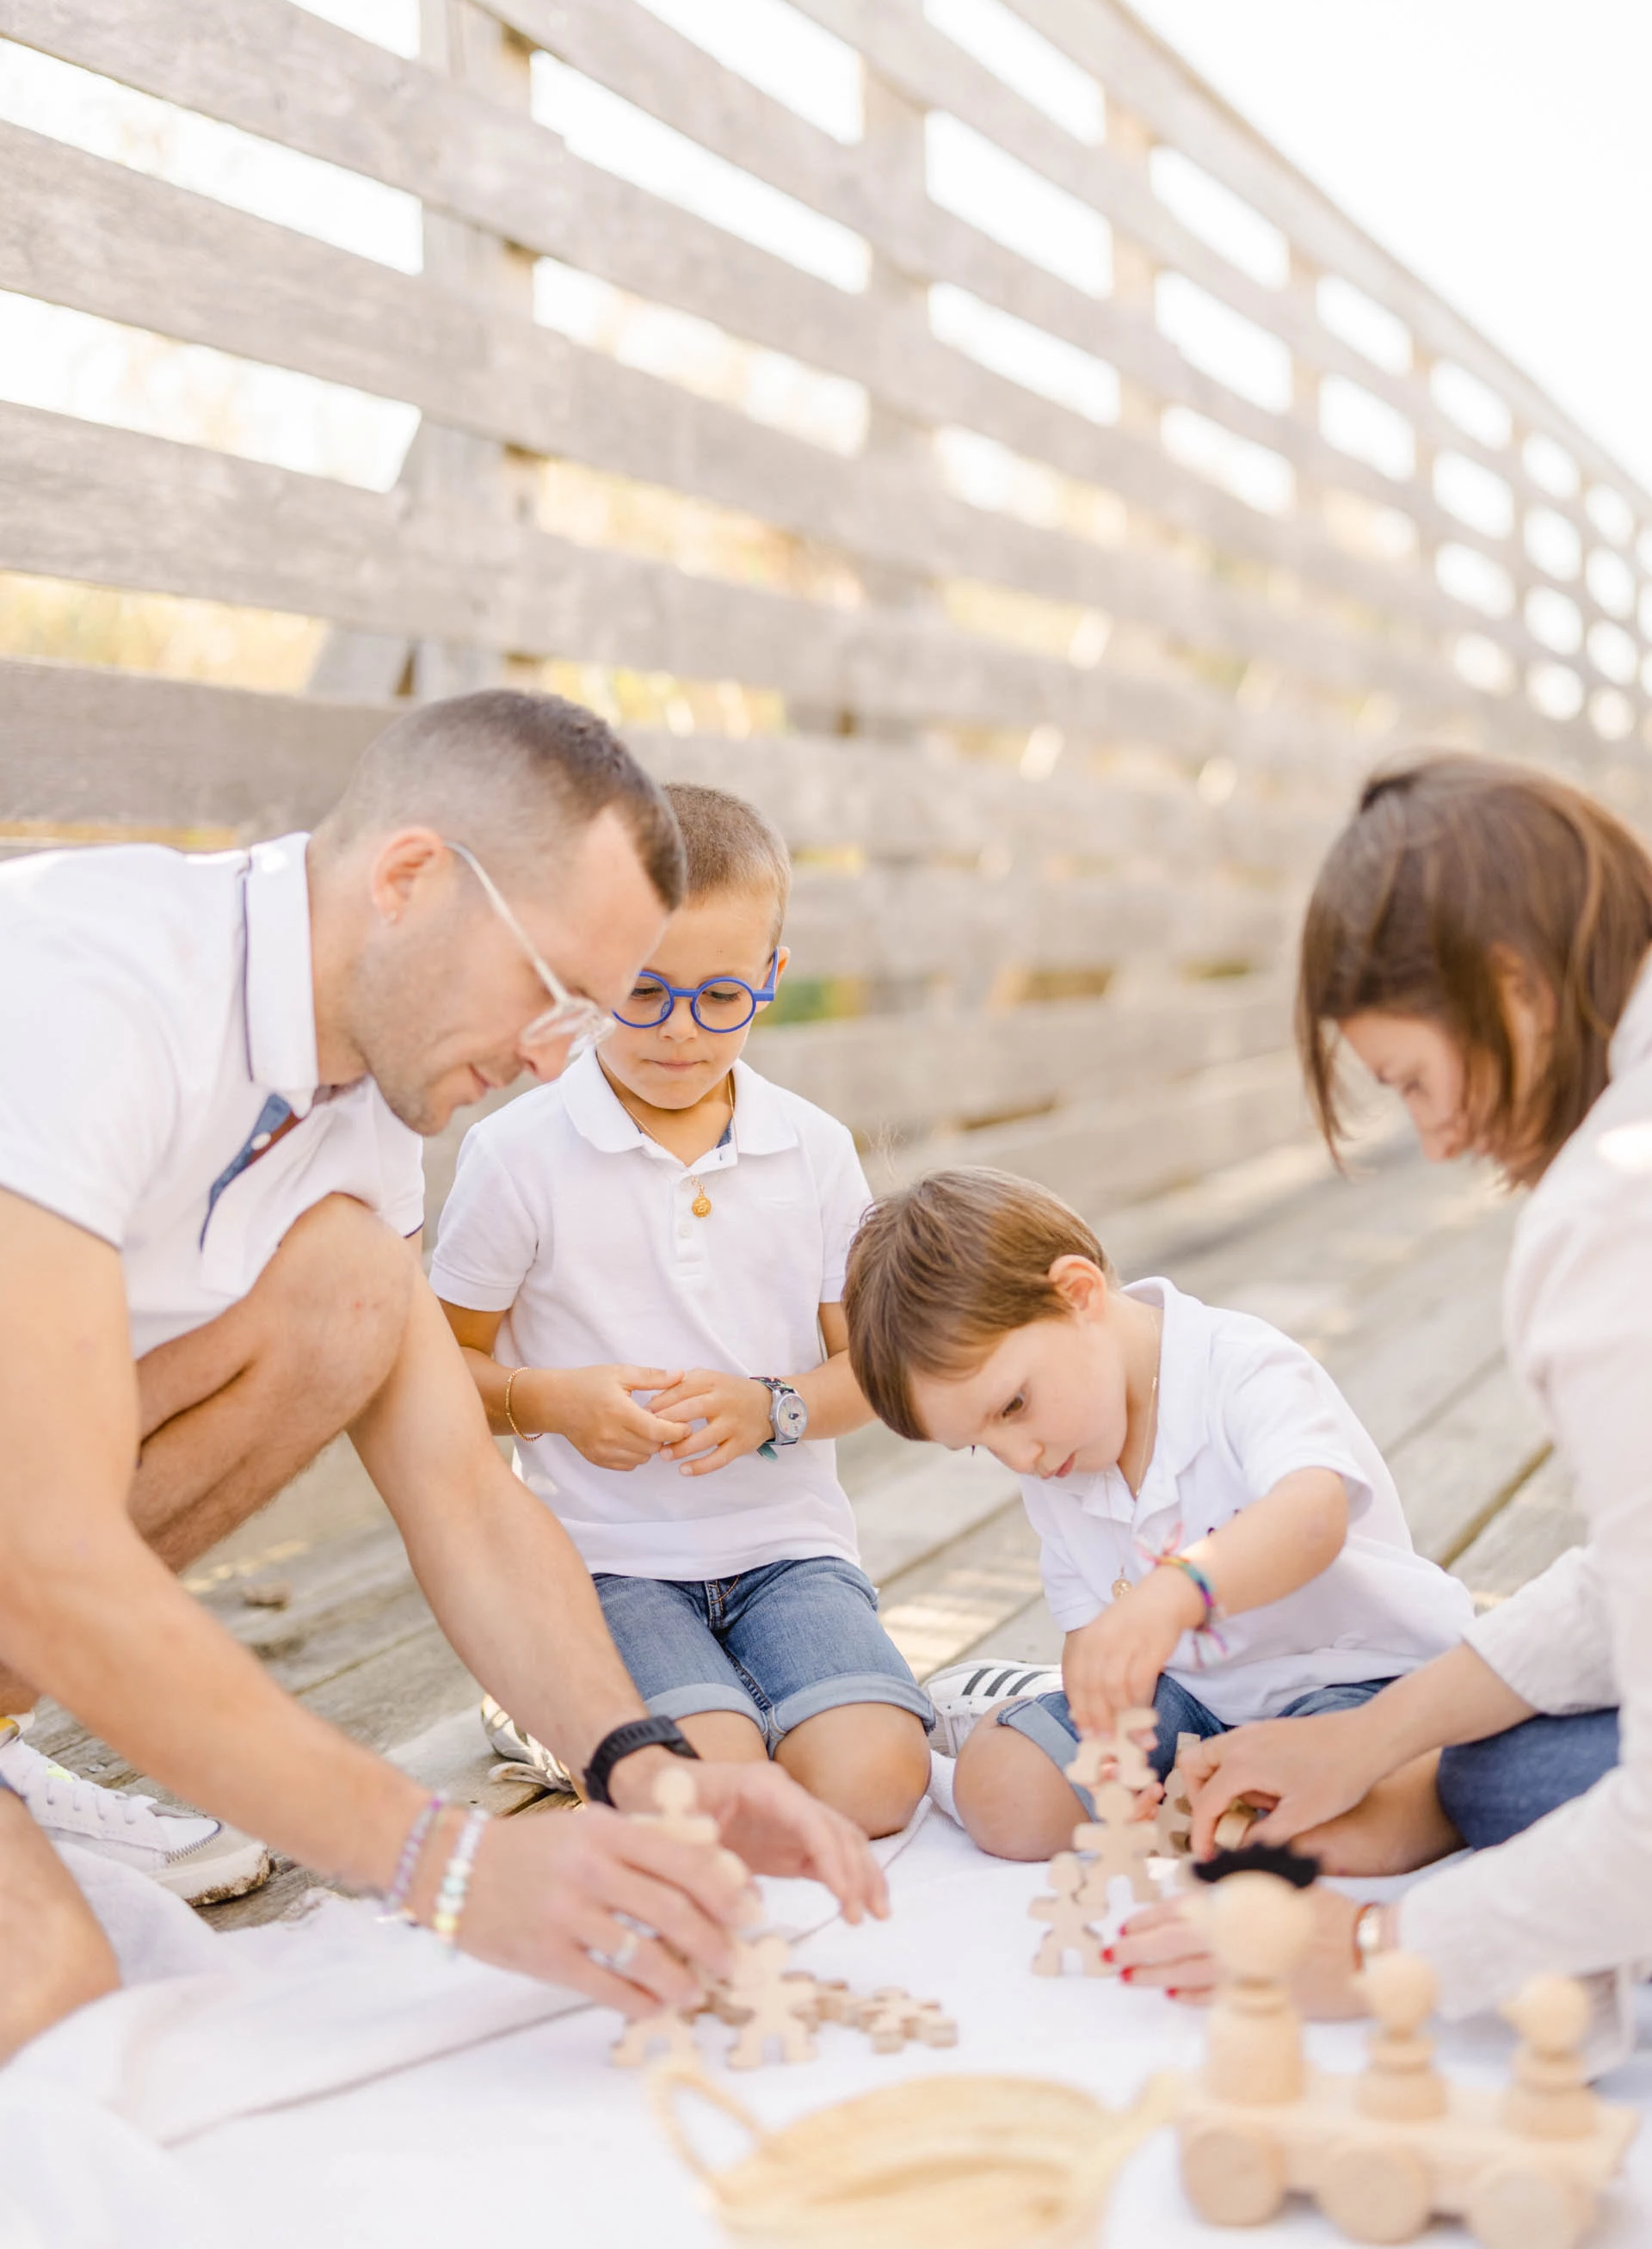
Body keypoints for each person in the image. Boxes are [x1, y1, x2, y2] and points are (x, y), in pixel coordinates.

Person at [0, 693, 884, 2066]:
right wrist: (445, 1867)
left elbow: (464, 1493)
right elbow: (40, 1544)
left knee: (355, 1288)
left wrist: (645, 1769)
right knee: (44, 1997)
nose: (559, 1055)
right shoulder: (93, 986)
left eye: (593, 1012)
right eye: (551, 989)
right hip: (25, 1537)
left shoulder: (364, 1112)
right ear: (409, 878)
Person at [1112, 755, 1652, 2050]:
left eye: (1413, 1080)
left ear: (1515, 991)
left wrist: (1371, 1948)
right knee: (1497, 1763)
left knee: (1531, 1800)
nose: (1444, 1141)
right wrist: (1370, 1736)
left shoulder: (1611, 1216)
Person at [432, 785, 934, 1839]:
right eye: (643, 993)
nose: (680, 1032)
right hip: (605, 1566)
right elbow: (437, 1378)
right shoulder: (520, 1156)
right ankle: (543, 1700)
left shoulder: (812, 1149)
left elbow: (870, 1375)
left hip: (788, 1554)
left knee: (877, 1783)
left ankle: (757, 1700)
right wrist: (552, 1401)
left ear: (771, 979)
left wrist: (773, 1409)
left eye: (721, 1000)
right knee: (708, 1794)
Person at [842, 1165, 1473, 1861]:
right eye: (978, 1446)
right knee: (999, 1795)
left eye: (1013, 1405)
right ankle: (1166, 1791)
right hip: (1194, 1697)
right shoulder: (1058, 1452)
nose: (1018, 1457)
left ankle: (1260, 1793)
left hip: (1355, 1685)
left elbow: (1313, 1513)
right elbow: (1090, 1631)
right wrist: (1108, 1737)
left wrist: (1181, 1589)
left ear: (1079, 1295)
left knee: (1337, 1835)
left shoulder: (1238, 1368)